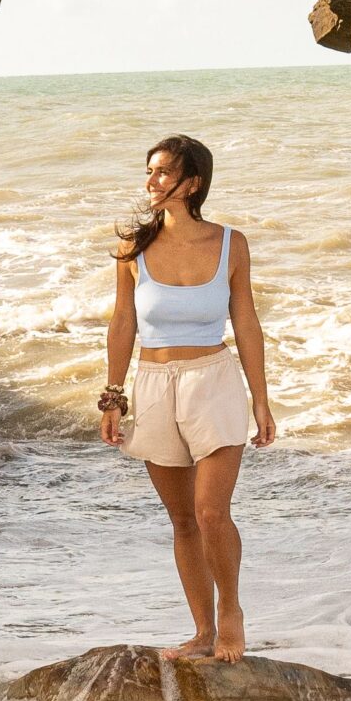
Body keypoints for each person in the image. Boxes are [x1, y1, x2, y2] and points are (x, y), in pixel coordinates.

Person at [98, 135, 275, 662]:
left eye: (163, 173)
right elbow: (122, 323)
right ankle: (201, 630)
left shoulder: (231, 244)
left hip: (213, 382)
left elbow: (246, 322)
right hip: (153, 386)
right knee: (182, 520)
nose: (151, 182)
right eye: (148, 171)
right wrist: (113, 396)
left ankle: (231, 614)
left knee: (211, 512)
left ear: (191, 183)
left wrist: (261, 401)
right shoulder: (133, 248)